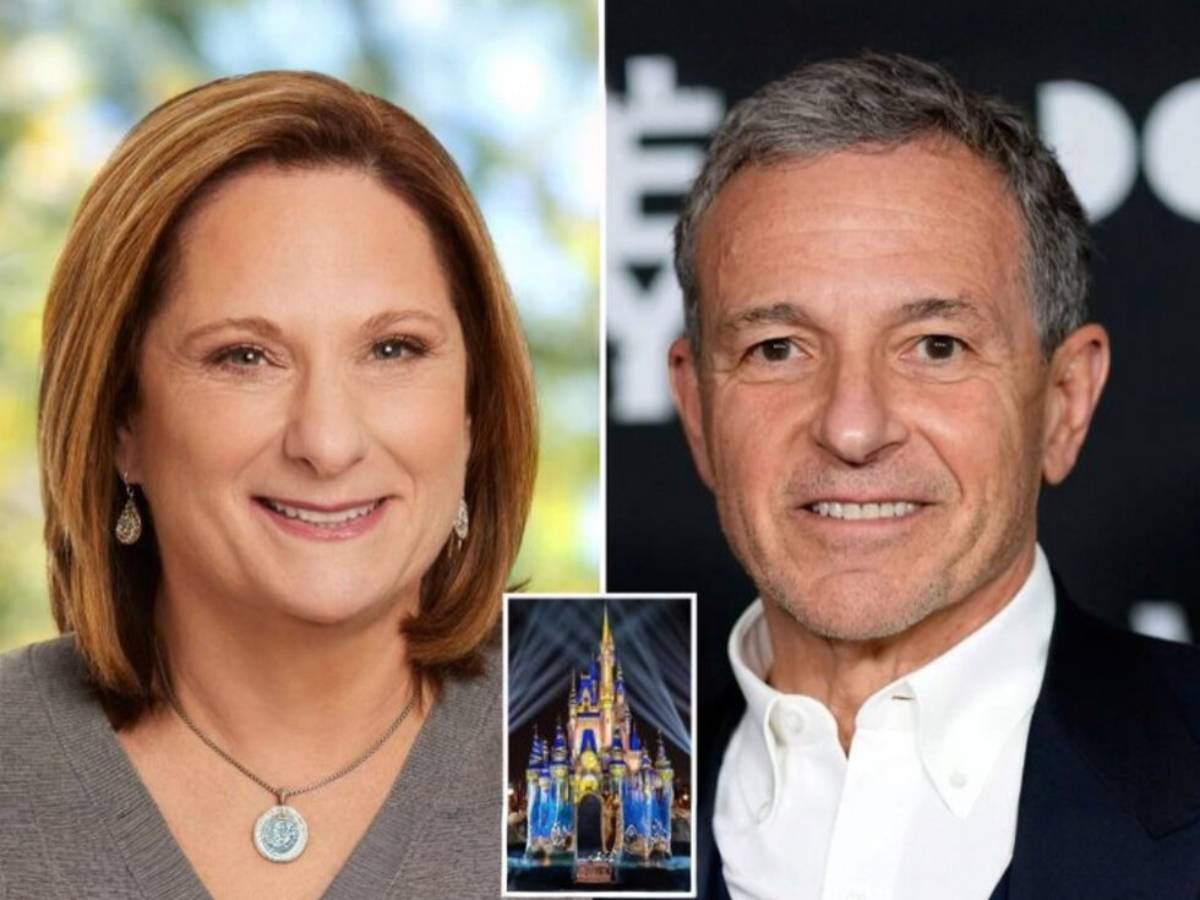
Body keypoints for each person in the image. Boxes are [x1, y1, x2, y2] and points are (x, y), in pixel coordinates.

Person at [668, 54, 1200, 899]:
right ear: (696, 407)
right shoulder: (582, 762)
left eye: (936, 347)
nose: (852, 426)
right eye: (778, 349)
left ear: (1063, 402)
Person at [0, 70, 536, 898]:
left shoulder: (597, 725)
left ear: (474, 410)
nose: (326, 442)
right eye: (243, 357)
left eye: (393, 349)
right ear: (120, 424)